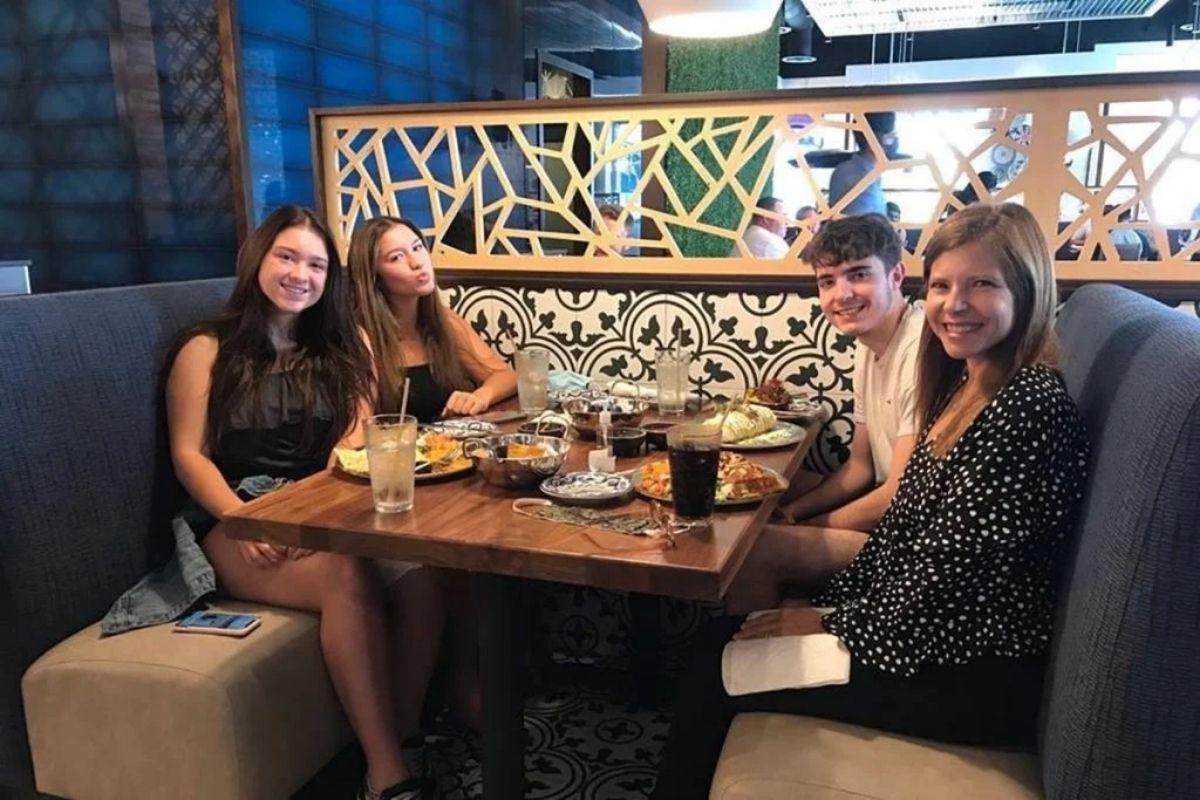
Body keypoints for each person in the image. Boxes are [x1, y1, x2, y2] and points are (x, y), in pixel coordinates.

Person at [651, 202, 1090, 799]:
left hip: (971, 670)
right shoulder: (968, 382)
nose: (954, 305)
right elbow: (908, 531)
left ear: (1028, 289)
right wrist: (831, 607)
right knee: (721, 643)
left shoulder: (1027, 407)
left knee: (713, 668)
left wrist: (834, 622)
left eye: (982, 285)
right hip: (931, 634)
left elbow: (949, 575)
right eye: (943, 286)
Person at [165, 206, 434, 800]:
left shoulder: (347, 343)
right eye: (286, 257)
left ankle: (405, 729)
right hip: (234, 514)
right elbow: (190, 456)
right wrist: (246, 519)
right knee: (345, 574)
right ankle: (386, 773)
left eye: (316, 265)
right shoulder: (206, 348)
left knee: (424, 573)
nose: (300, 275)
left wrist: (316, 500)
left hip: (322, 504)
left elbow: (355, 436)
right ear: (256, 259)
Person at [725, 213, 923, 612]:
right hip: (888, 511)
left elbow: (899, 495)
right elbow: (860, 467)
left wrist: (807, 525)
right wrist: (791, 510)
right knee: (769, 482)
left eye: (858, 275)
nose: (841, 294)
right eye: (827, 281)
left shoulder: (919, 350)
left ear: (896, 276)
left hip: (910, 543)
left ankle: (752, 645)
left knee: (752, 548)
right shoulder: (868, 345)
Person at [346, 216, 517, 423]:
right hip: (393, 443)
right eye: (397, 257)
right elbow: (356, 427)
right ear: (374, 277)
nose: (417, 263)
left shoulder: (444, 322)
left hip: (450, 442)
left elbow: (507, 376)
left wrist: (480, 397)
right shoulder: (360, 337)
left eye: (417, 248)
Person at [828, 111, 898, 216]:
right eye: (891, 136)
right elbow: (862, 225)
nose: (895, 141)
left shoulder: (846, 170)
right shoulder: (860, 180)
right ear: (874, 140)